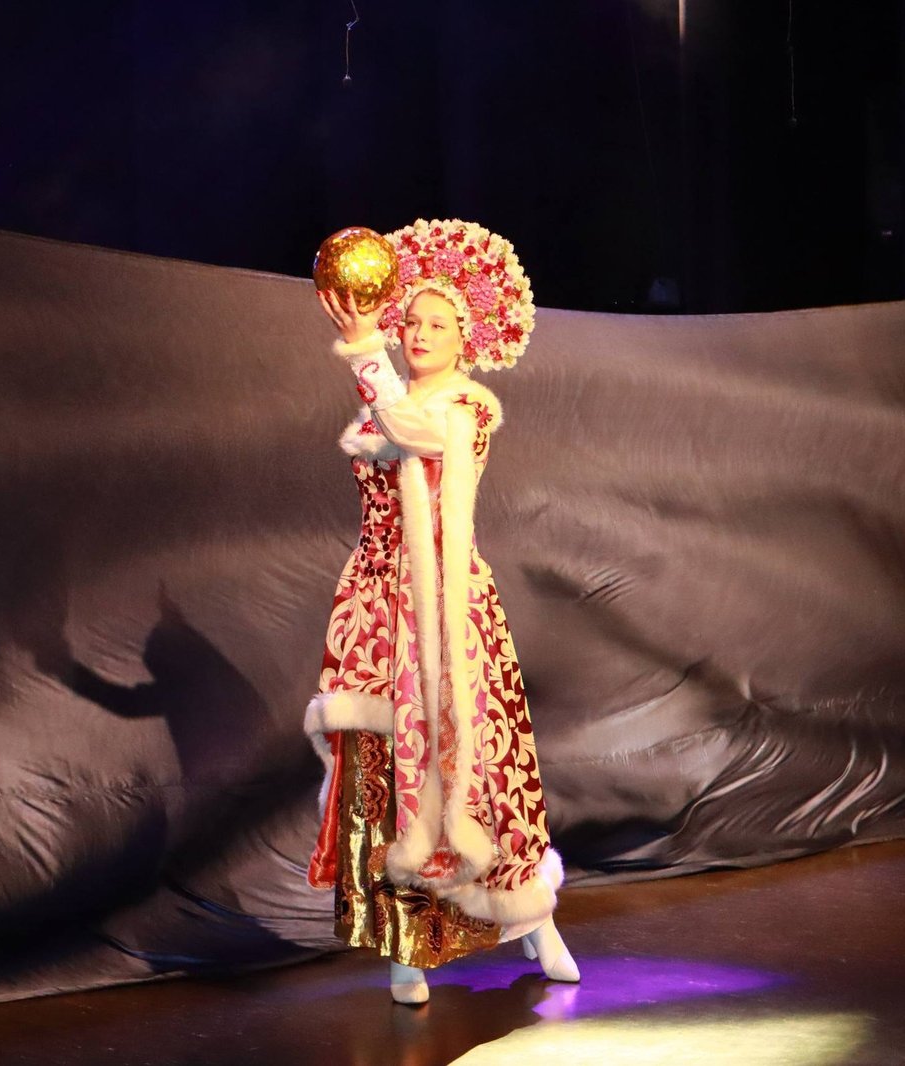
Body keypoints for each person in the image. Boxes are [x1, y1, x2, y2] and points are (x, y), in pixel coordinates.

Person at [304, 219, 579, 1005]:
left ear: (466, 339)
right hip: (378, 611)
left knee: (478, 771)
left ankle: (534, 919)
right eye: (412, 322)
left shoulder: (465, 410)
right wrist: (369, 349)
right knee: (383, 774)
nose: (419, 334)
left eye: (436, 325)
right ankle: (405, 946)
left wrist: (365, 349)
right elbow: (388, 428)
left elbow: (413, 432)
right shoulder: (383, 407)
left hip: (448, 613)